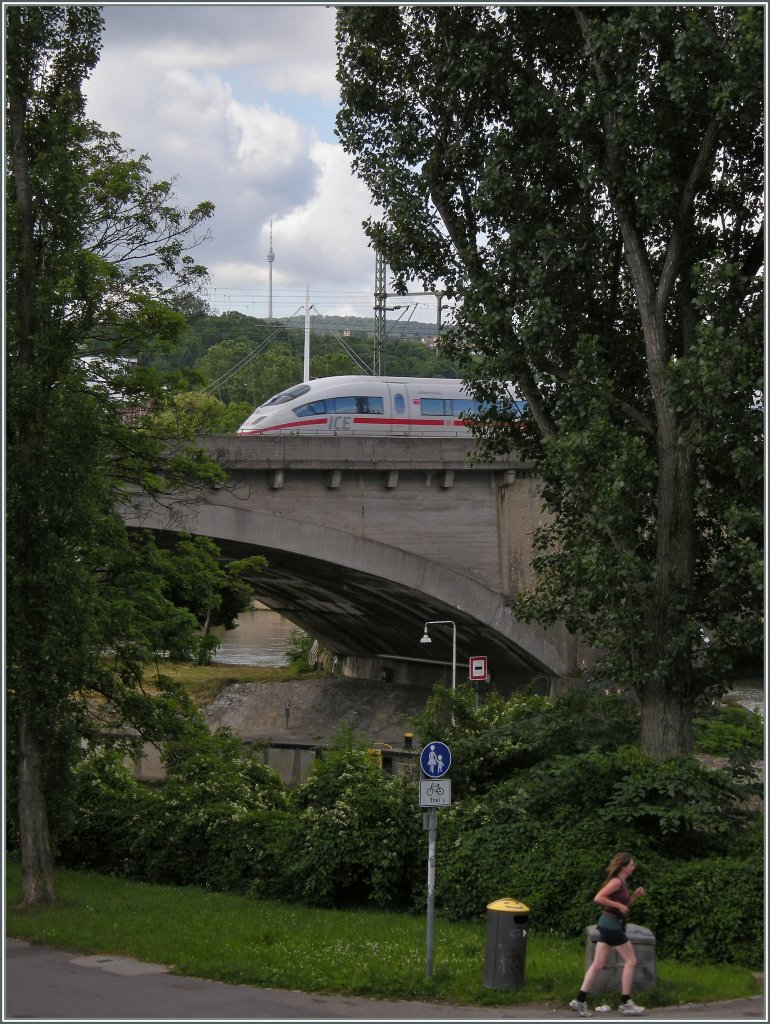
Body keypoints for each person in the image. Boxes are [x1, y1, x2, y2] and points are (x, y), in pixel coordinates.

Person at [569, 852, 646, 1017]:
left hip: (607, 924)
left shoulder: (622, 882)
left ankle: (579, 1000)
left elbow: (624, 907)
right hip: (611, 925)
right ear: (623, 867)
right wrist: (618, 906)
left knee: (597, 964)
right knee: (631, 960)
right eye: (631, 865)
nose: (634, 867)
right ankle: (625, 1002)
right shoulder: (616, 881)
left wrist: (634, 896)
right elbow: (598, 898)